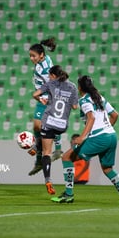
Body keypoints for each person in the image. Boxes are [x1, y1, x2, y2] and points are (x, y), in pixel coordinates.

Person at [52, 75, 119, 205]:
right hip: (112, 136)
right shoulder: (99, 97)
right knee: (107, 168)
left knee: (66, 157)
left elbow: (91, 118)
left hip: (99, 138)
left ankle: (68, 194)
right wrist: (106, 130)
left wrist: (82, 137)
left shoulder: (84, 100)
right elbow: (115, 115)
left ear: (79, 87)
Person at [32, 65, 78, 194]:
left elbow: (35, 94)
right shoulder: (73, 86)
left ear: (52, 75)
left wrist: (42, 100)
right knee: (52, 134)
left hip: (49, 121)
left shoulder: (50, 83)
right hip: (62, 124)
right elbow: (75, 106)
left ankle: (48, 180)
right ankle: (44, 146)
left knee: (46, 152)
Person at [28, 37, 63, 177]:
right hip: (42, 98)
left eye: (33, 56)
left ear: (41, 55)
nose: (31, 58)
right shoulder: (44, 60)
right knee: (37, 127)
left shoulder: (44, 69)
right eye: (30, 56)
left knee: (46, 125)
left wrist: (39, 95)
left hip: (47, 99)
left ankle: (57, 150)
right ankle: (39, 160)